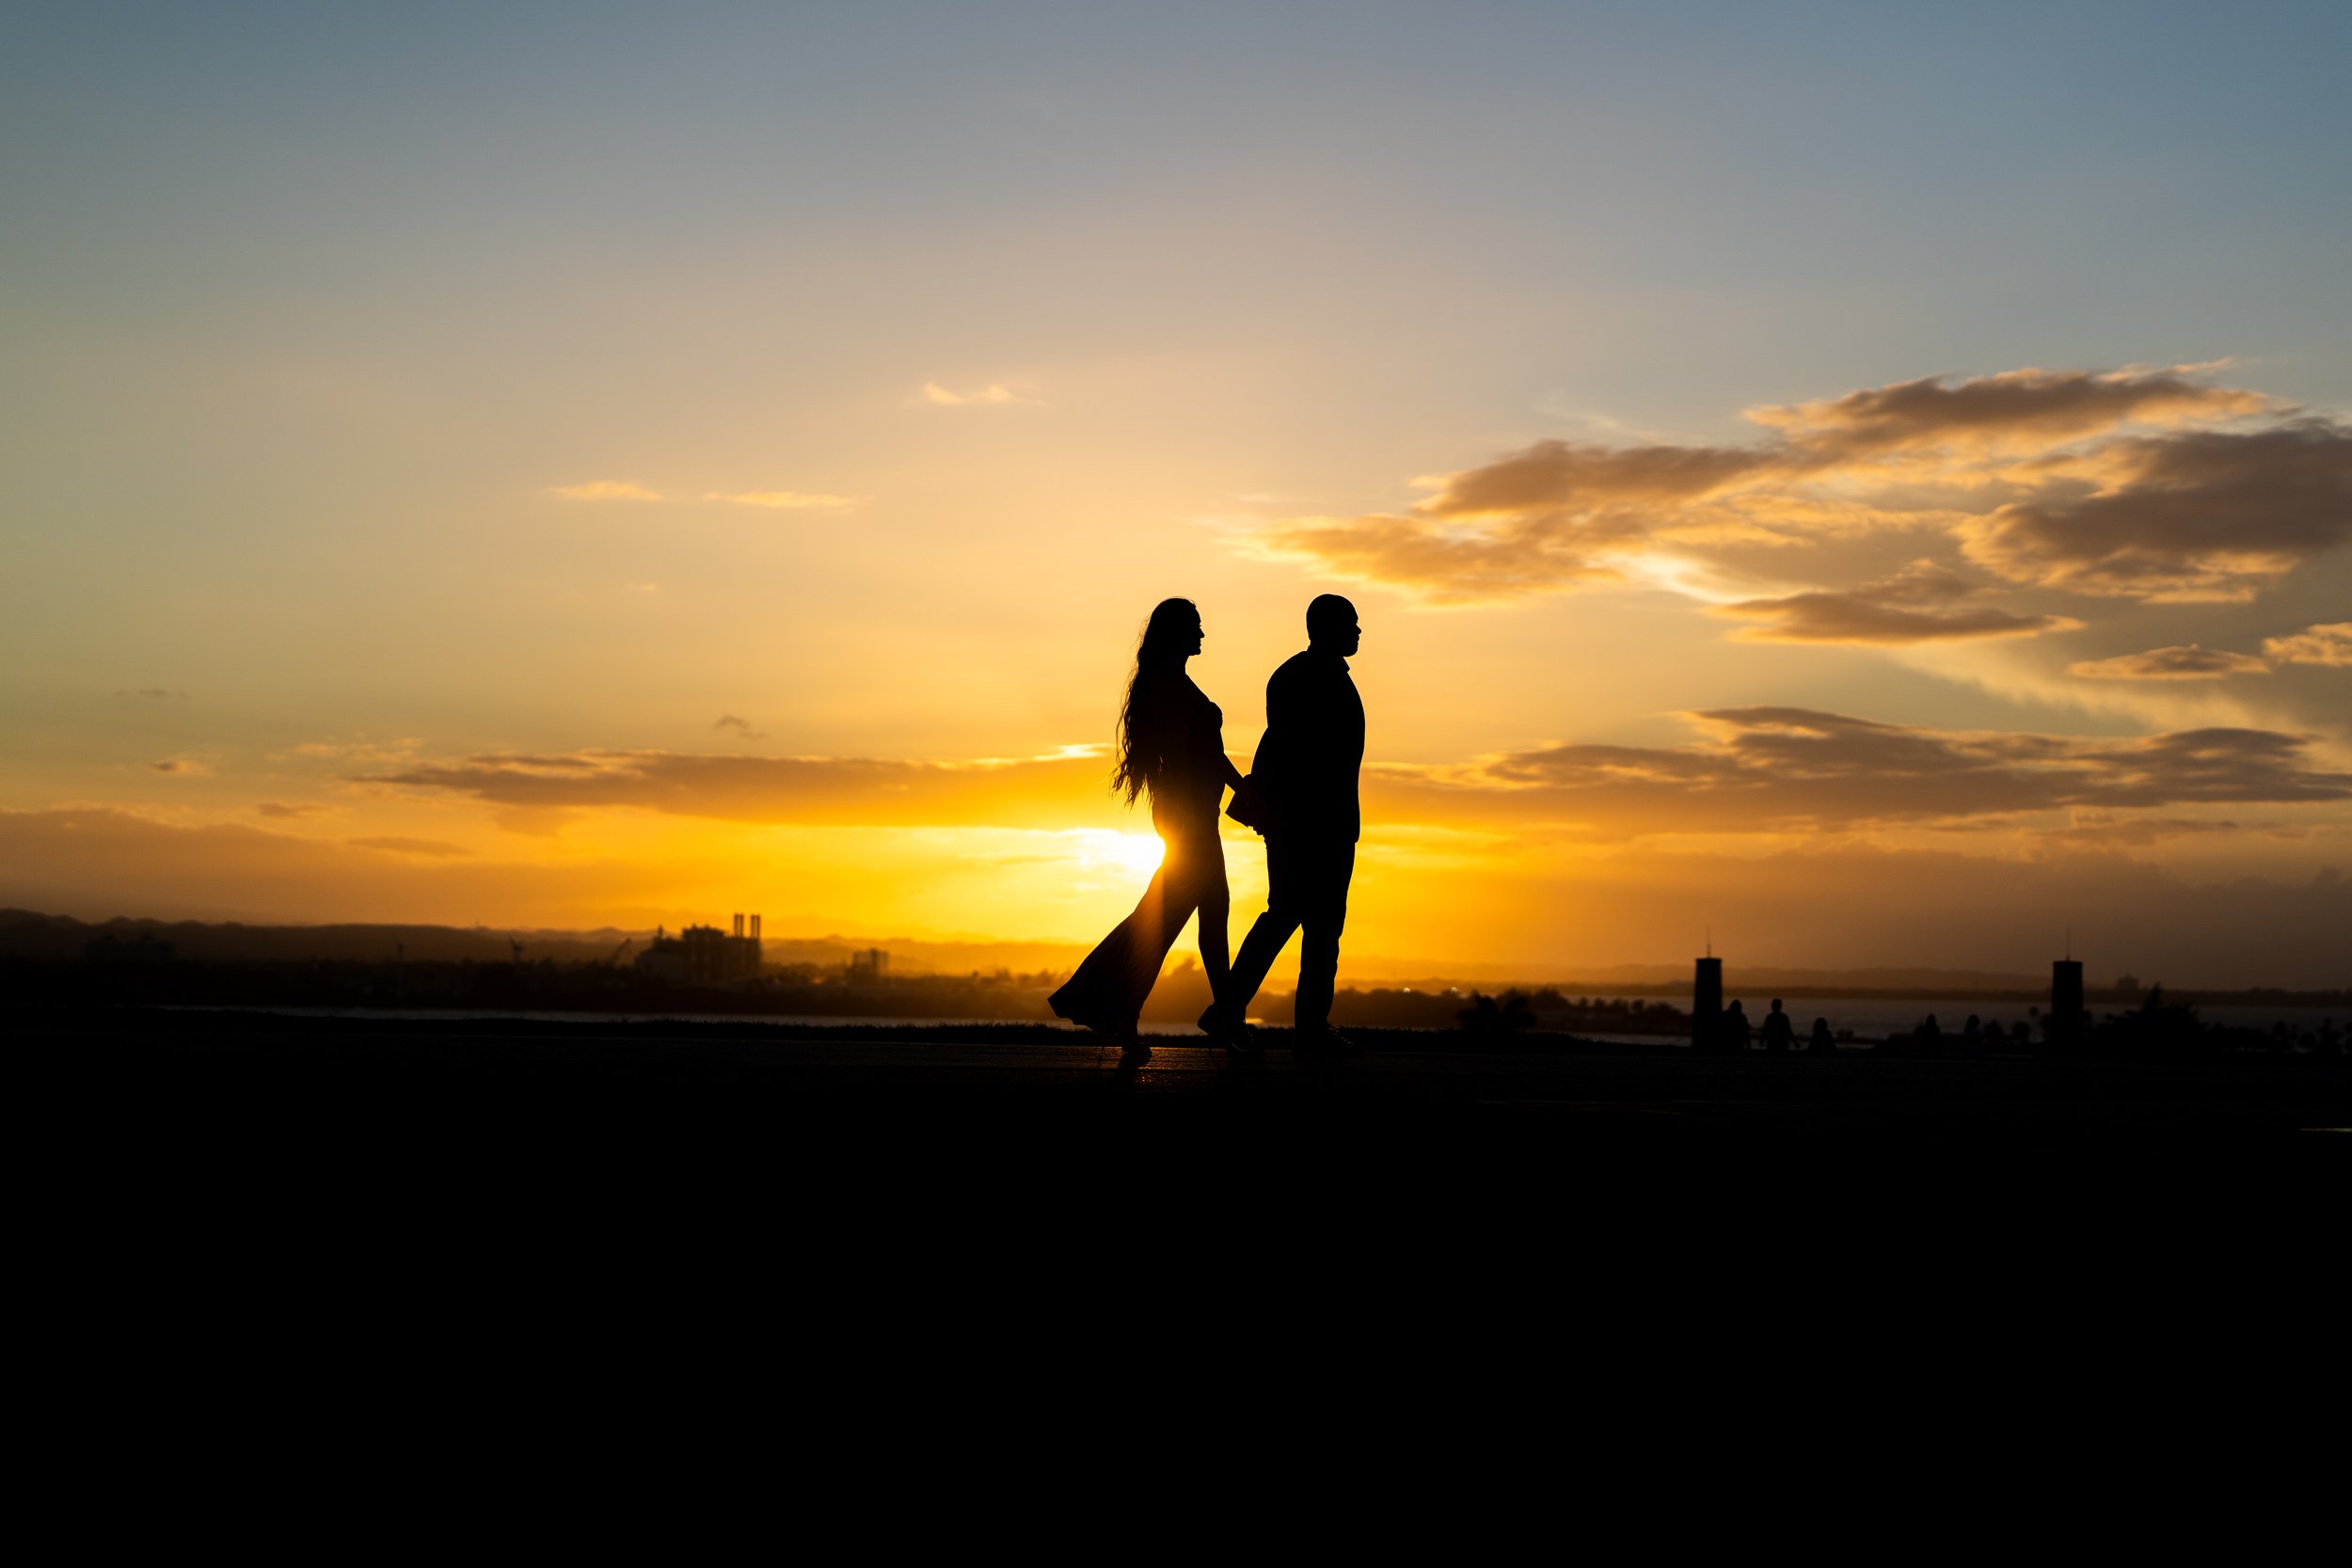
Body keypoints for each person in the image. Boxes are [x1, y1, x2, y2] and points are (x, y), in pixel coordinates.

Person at [1049, 599, 1254, 1062]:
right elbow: (1188, 758)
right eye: (1196, 628)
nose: (1203, 635)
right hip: (1188, 817)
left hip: (1196, 814)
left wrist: (1241, 789)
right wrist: (1229, 795)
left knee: (1207, 918)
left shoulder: (1175, 683)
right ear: (1178, 634)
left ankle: (1222, 1020)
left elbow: (1207, 753)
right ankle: (1117, 1011)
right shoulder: (1167, 687)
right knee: (1161, 922)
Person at [1219, 594, 1366, 1058]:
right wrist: (1282, 814)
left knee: (1310, 924)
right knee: (1299, 919)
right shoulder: (1307, 678)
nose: (1360, 632)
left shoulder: (1301, 675)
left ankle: (1301, 1027)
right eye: (1353, 624)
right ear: (1327, 627)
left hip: (1316, 822)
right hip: (1311, 824)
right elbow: (1296, 752)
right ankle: (1250, 1014)